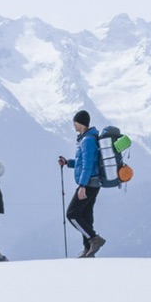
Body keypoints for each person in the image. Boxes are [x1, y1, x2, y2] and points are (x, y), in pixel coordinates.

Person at [57, 110, 106, 258]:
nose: (74, 124)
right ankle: (88, 249)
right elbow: (82, 162)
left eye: (75, 122)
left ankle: (94, 239)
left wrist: (82, 186)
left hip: (89, 183)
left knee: (72, 214)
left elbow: (88, 165)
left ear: (81, 123)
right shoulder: (86, 139)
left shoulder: (88, 140)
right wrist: (68, 163)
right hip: (93, 182)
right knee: (85, 215)